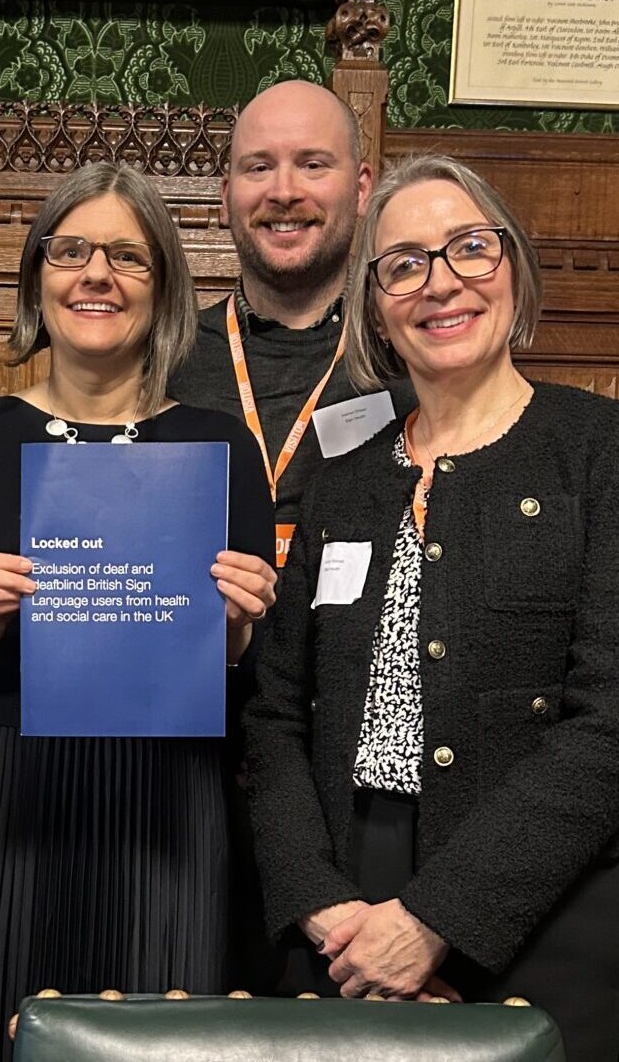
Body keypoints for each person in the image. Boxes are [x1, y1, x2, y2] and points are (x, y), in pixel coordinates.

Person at [243, 153, 619, 1061]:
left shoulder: (610, 452)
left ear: (513, 268)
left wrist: (438, 917)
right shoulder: (343, 479)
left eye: (468, 249)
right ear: (376, 306)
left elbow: (618, 721)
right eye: (403, 263)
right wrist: (322, 905)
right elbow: (276, 712)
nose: (439, 282)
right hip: (341, 907)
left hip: (537, 901)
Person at [0, 162, 277, 1062]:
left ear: (163, 288)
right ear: (38, 276)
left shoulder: (219, 446)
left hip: (165, 802)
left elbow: (268, 693)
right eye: (70, 250)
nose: (96, 274)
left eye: (127, 256)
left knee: (150, 1044)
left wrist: (232, 640)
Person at [168, 77, 416, 994]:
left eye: (312, 163)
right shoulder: (162, 361)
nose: (284, 190)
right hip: (178, 780)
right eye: (257, 166)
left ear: (361, 184)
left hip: (344, 797)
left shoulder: (417, 364)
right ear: (225, 192)